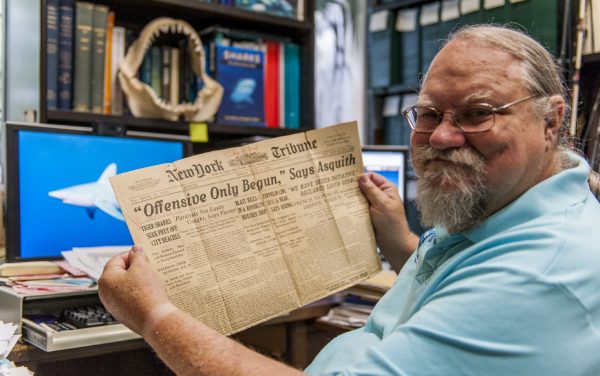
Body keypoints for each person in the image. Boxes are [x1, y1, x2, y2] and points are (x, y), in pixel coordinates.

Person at [98, 24, 600, 375]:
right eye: (428, 113)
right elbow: (452, 286)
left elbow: (492, 293)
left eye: (477, 114)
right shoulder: (503, 204)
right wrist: (402, 240)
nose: (443, 137)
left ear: (551, 120)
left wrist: (154, 317)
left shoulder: (539, 273)